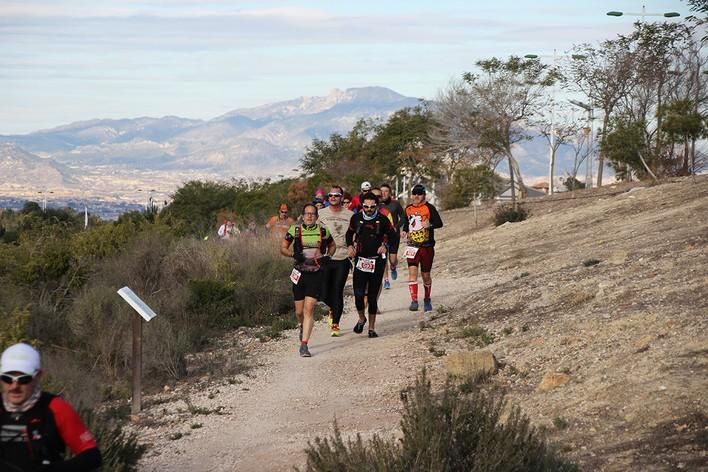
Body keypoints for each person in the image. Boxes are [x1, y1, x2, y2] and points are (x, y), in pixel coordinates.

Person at [0, 343, 102, 472]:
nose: (14, 386)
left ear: (38, 376)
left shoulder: (55, 407)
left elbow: (92, 455)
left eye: (23, 379)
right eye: (7, 378)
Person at [281, 203, 335, 357]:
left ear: (317, 217)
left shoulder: (323, 230)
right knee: (299, 312)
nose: (310, 216)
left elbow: (332, 245)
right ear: (302, 216)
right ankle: (301, 325)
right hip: (299, 273)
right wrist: (292, 255)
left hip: (316, 273)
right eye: (307, 213)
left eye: (312, 214)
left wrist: (327, 257)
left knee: (309, 308)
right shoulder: (295, 230)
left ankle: (304, 345)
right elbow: (283, 248)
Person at [346, 192, 397, 338]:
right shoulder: (356, 218)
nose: (369, 209)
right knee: (358, 294)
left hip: (377, 261)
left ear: (377, 206)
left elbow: (393, 236)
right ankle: (362, 318)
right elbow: (349, 234)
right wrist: (350, 246)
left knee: (373, 296)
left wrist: (385, 246)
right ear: (361, 205)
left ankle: (372, 328)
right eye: (366, 206)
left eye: (372, 206)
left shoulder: (383, 220)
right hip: (361, 260)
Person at [317, 185, 354, 337]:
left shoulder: (350, 215)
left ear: (342, 197)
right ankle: (334, 308)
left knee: (338, 290)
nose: (333, 197)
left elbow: (356, 233)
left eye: (336, 195)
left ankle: (335, 324)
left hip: (343, 256)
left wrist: (354, 246)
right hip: (325, 256)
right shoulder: (320, 213)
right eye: (331, 195)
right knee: (323, 292)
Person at [401, 184, 443, 312]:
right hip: (412, 246)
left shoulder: (430, 208)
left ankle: (427, 298)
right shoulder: (408, 208)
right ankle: (414, 300)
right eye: (414, 194)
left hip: (426, 246)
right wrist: (404, 231)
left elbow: (439, 223)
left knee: (425, 275)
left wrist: (429, 225)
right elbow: (406, 223)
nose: (416, 196)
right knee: (412, 273)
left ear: (424, 195)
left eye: (419, 194)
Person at [380, 183, 406, 286]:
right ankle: (386, 280)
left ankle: (393, 267)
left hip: (394, 235)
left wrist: (397, 226)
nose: (384, 193)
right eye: (382, 191)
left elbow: (403, 217)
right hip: (382, 236)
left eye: (386, 191)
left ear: (389, 193)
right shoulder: (377, 205)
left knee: (393, 259)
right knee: (383, 258)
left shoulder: (395, 204)